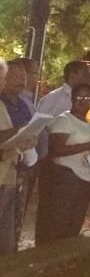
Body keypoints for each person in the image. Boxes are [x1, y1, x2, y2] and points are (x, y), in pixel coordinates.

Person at [36, 84, 90, 245]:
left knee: (74, 221)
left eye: (88, 98)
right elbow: (57, 149)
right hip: (66, 176)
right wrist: (88, 146)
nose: (84, 101)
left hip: (85, 177)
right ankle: (48, 258)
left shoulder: (87, 124)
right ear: (72, 99)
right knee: (58, 221)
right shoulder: (64, 120)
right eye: (80, 97)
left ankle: (65, 258)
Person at [0, 59, 37, 254]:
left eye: (23, 76)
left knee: (12, 220)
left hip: (19, 169)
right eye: (11, 76)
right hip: (6, 169)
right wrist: (20, 132)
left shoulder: (24, 104)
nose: (19, 80)